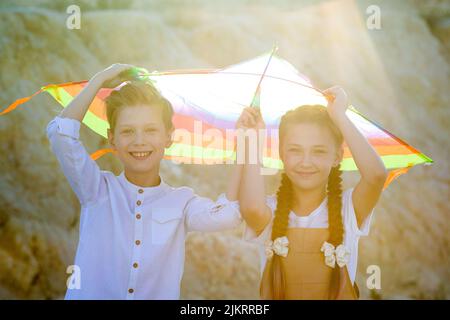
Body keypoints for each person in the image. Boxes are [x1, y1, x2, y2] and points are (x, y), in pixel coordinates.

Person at [46, 64, 243, 299]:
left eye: (150, 130)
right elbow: (61, 134)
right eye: (128, 131)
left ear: (169, 137)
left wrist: (247, 145)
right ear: (112, 139)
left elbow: (229, 214)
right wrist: (99, 80)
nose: (139, 141)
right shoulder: (96, 190)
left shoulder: (182, 202)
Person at [237, 86, 387, 299]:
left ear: (337, 157)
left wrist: (339, 115)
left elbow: (376, 176)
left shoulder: (348, 210)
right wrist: (253, 139)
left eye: (318, 151)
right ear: (281, 154)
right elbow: (251, 208)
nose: (305, 162)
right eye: (295, 150)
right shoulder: (269, 211)